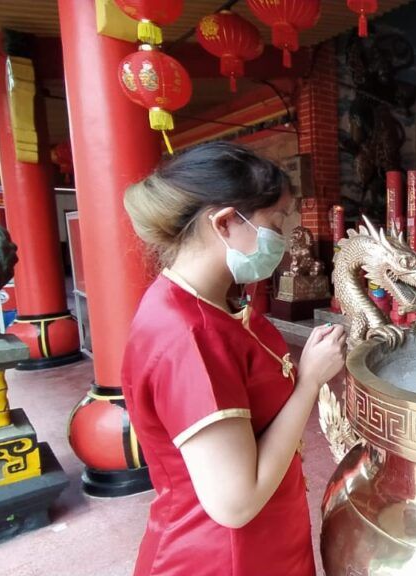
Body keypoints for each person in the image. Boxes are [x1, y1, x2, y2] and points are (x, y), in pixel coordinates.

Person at [121, 142, 345, 576]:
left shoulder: (216, 304)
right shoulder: (189, 336)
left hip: (267, 542)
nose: (281, 237)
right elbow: (236, 503)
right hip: (225, 557)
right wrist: (310, 381)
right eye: (275, 222)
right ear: (225, 222)